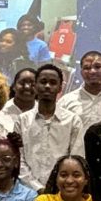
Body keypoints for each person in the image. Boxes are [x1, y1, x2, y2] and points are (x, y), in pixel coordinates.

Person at [18, 63, 83, 192]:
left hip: (62, 191)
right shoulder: (22, 120)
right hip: (26, 191)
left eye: (53, 83)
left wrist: (59, 186)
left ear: (60, 88)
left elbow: (77, 159)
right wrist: (37, 188)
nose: (47, 86)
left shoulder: (72, 121)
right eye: (43, 82)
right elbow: (19, 160)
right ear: (35, 85)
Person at [57, 51, 101, 131]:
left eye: (98, 67)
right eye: (87, 68)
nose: (92, 71)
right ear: (81, 72)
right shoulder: (66, 101)